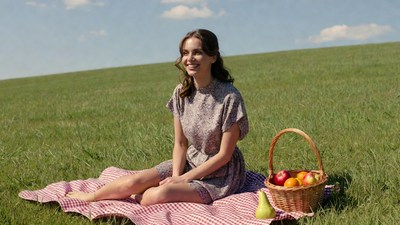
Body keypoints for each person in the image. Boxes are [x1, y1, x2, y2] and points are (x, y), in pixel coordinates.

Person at [66, 29, 249, 206]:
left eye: (197, 52)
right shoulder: (182, 92)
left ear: (213, 57)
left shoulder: (229, 97)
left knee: (159, 194)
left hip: (221, 175)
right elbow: (181, 144)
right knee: (132, 182)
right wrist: (177, 176)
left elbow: (224, 155)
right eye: (185, 53)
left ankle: (143, 197)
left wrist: (182, 180)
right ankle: (92, 197)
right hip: (191, 162)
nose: (189, 59)